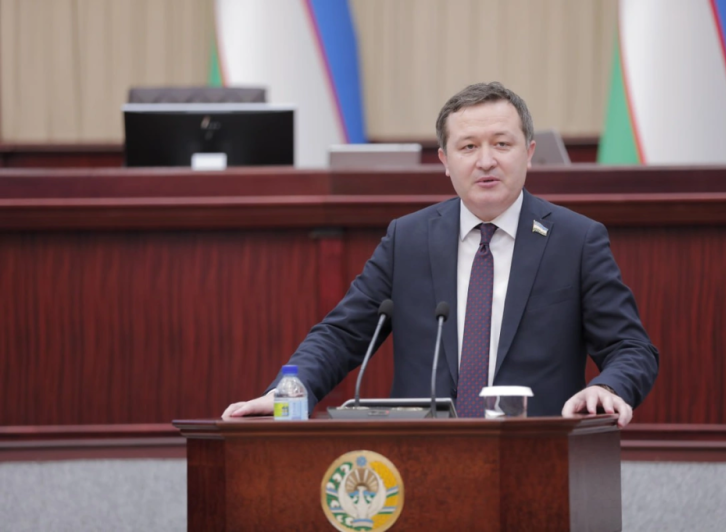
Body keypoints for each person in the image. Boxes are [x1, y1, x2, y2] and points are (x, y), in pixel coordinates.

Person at [223, 82, 658, 426]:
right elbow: (342, 334)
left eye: (502, 144)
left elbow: (631, 348)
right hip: (422, 454)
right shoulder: (409, 238)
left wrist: (608, 387)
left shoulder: (576, 240)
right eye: (468, 147)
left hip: (537, 453)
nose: (485, 161)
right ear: (445, 161)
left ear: (529, 153)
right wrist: (288, 392)